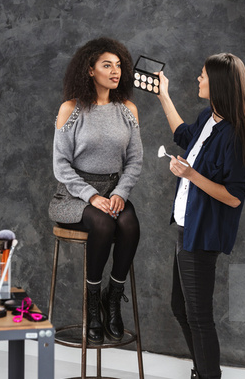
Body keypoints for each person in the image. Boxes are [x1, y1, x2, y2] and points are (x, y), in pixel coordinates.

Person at [156, 53, 245, 379]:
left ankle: (207, 375)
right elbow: (185, 136)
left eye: (203, 76)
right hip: (186, 227)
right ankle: (203, 371)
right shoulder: (207, 118)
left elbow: (233, 197)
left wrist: (191, 175)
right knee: (181, 307)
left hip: (203, 234)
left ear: (219, 84)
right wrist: (163, 95)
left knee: (199, 316)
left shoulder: (234, 135)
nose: (198, 80)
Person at [49, 37, 143, 345]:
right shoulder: (71, 109)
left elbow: (134, 161)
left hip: (114, 190)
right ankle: (92, 305)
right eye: (107, 65)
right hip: (73, 195)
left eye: (118, 66)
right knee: (103, 223)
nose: (115, 71)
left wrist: (120, 193)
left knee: (129, 224)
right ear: (90, 70)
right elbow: (61, 167)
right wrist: (92, 196)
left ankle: (112, 299)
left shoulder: (127, 110)